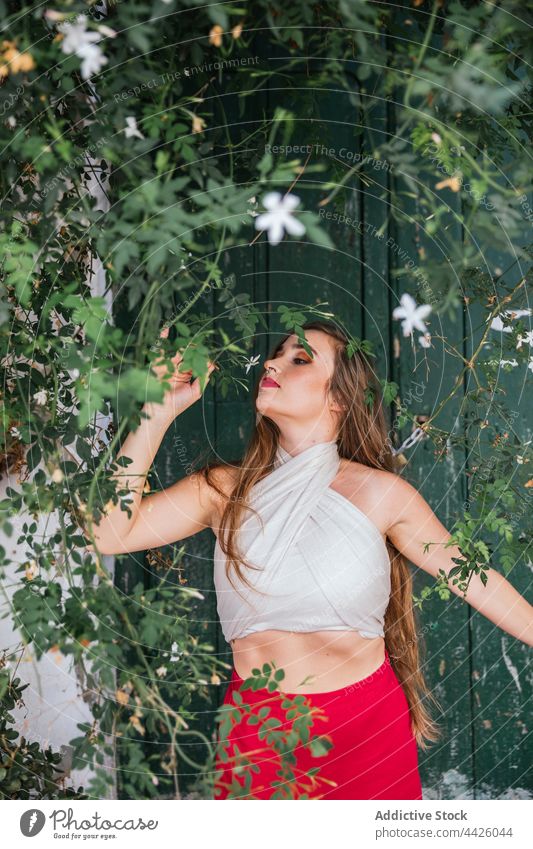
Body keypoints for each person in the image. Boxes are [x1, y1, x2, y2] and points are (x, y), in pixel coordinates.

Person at [90, 319, 533, 800]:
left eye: (299, 359)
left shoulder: (383, 495)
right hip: (259, 731)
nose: (272, 363)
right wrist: (156, 413)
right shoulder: (222, 490)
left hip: (367, 728)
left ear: (340, 398)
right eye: (275, 355)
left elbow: (475, 579)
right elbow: (110, 533)